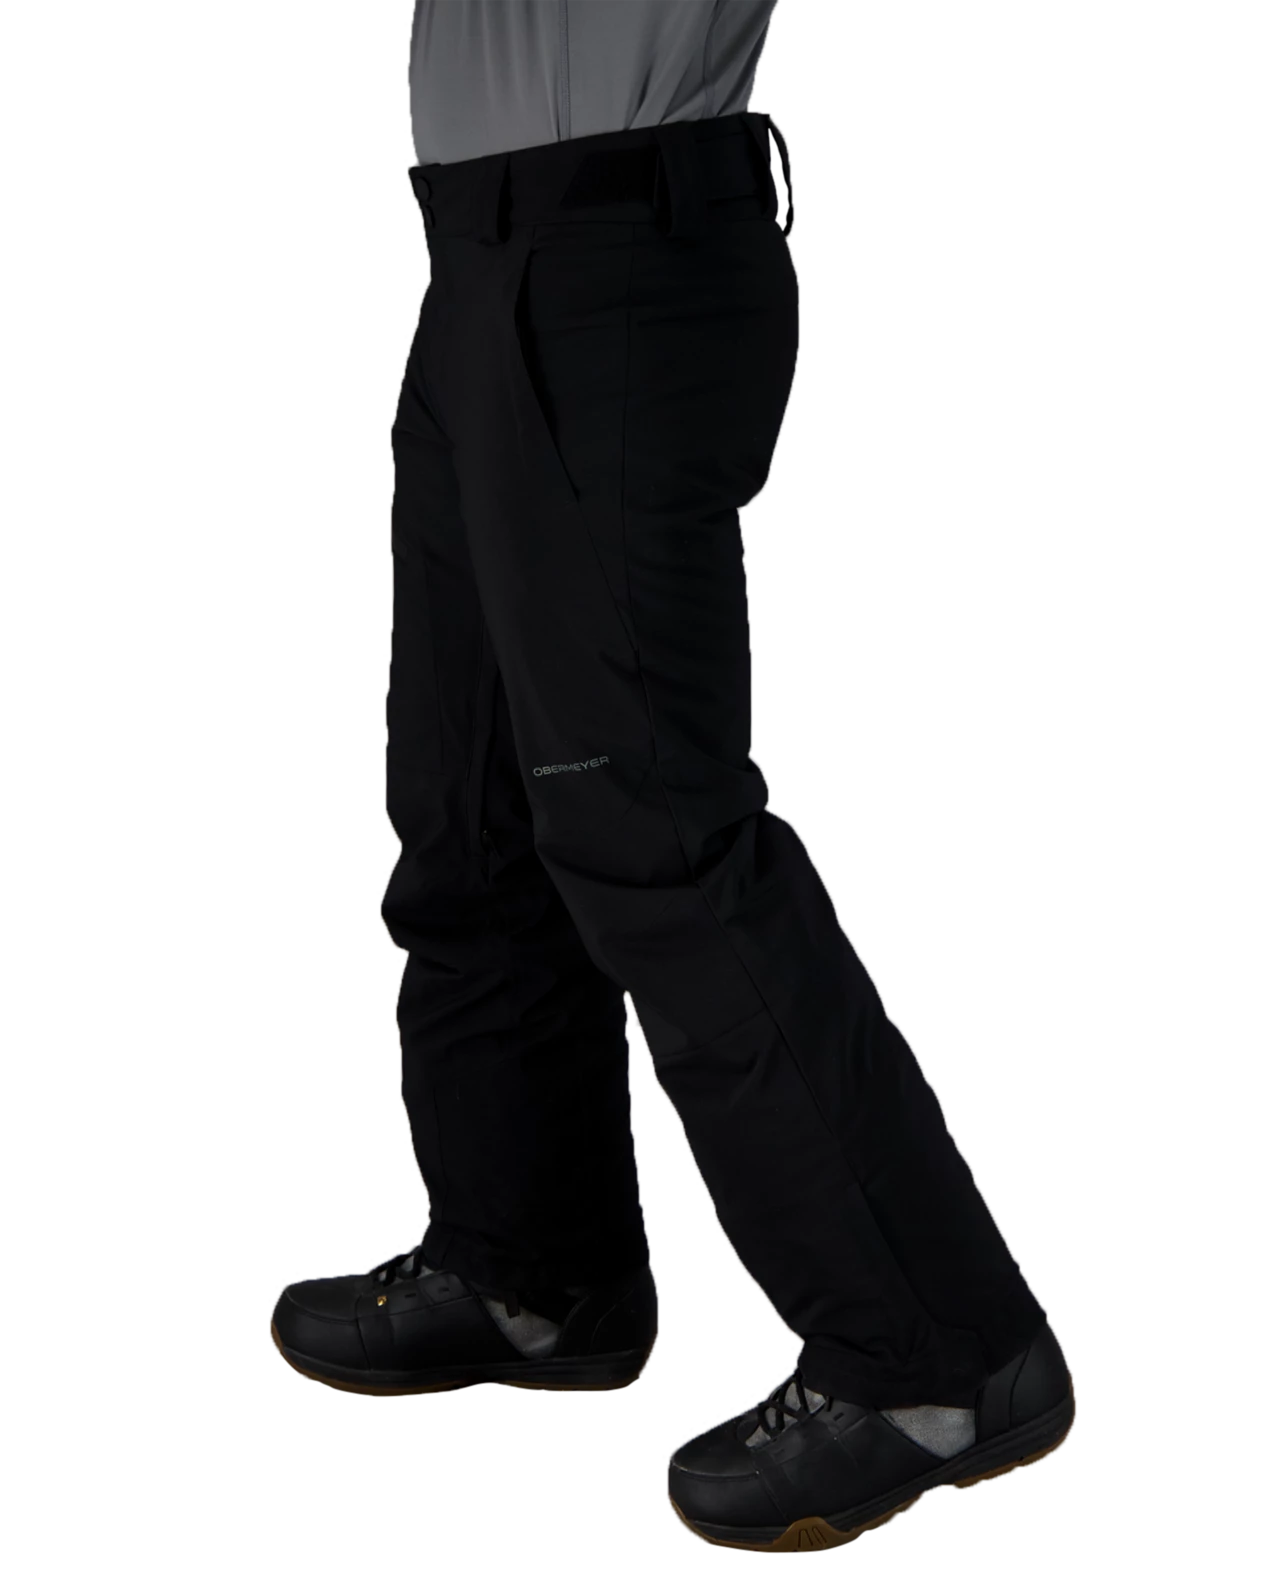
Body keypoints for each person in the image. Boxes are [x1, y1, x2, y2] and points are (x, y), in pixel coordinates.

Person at [270, 1, 1075, 1556]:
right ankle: (533, 1273)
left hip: (616, 251)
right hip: (478, 255)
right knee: (470, 811)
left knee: (651, 833)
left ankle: (941, 1357)